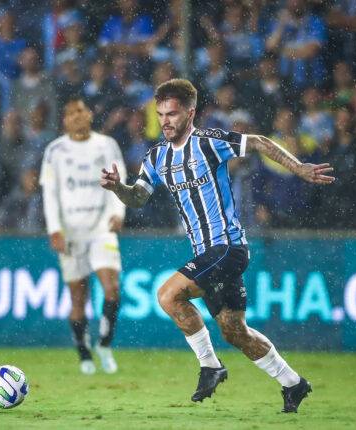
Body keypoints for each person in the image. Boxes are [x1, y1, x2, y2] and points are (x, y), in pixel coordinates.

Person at [100, 79, 335, 412]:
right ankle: (294, 384)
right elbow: (138, 198)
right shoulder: (156, 158)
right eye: (161, 114)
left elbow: (258, 142)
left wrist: (298, 168)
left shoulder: (208, 142)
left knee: (168, 295)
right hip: (207, 255)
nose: (165, 121)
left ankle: (210, 366)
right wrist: (117, 189)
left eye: (172, 114)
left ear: (191, 112)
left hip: (227, 247)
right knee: (234, 330)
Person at [40, 98, 126, 375]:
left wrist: (119, 211)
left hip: (101, 227)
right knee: (79, 298)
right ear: (64, 121)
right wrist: (55, 228)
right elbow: (50, 193)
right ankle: (82, 349)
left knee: (111, 288)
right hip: (71, 230)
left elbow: (119, 178)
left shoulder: (106, 144)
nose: (77, 116)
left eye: (81, 111)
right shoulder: (55, 151)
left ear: (90, 114)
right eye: (70, 112)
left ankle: (105, 343)